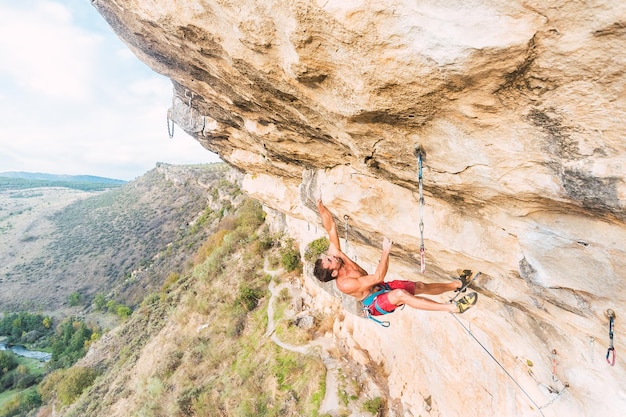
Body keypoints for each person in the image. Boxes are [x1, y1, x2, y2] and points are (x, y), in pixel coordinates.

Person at [312, 197, 478, 317]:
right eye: (329, 260)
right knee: (400, 295)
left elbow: (331, 228)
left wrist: (320, 206)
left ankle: (457, 284)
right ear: (333, 273)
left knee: (419, 286)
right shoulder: (345, 284)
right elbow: (378, 276)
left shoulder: (337, 258)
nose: (331, 256)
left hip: (380, 287)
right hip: (374, 303)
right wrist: (385, 251)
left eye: (329, 257)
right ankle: (453, 308)